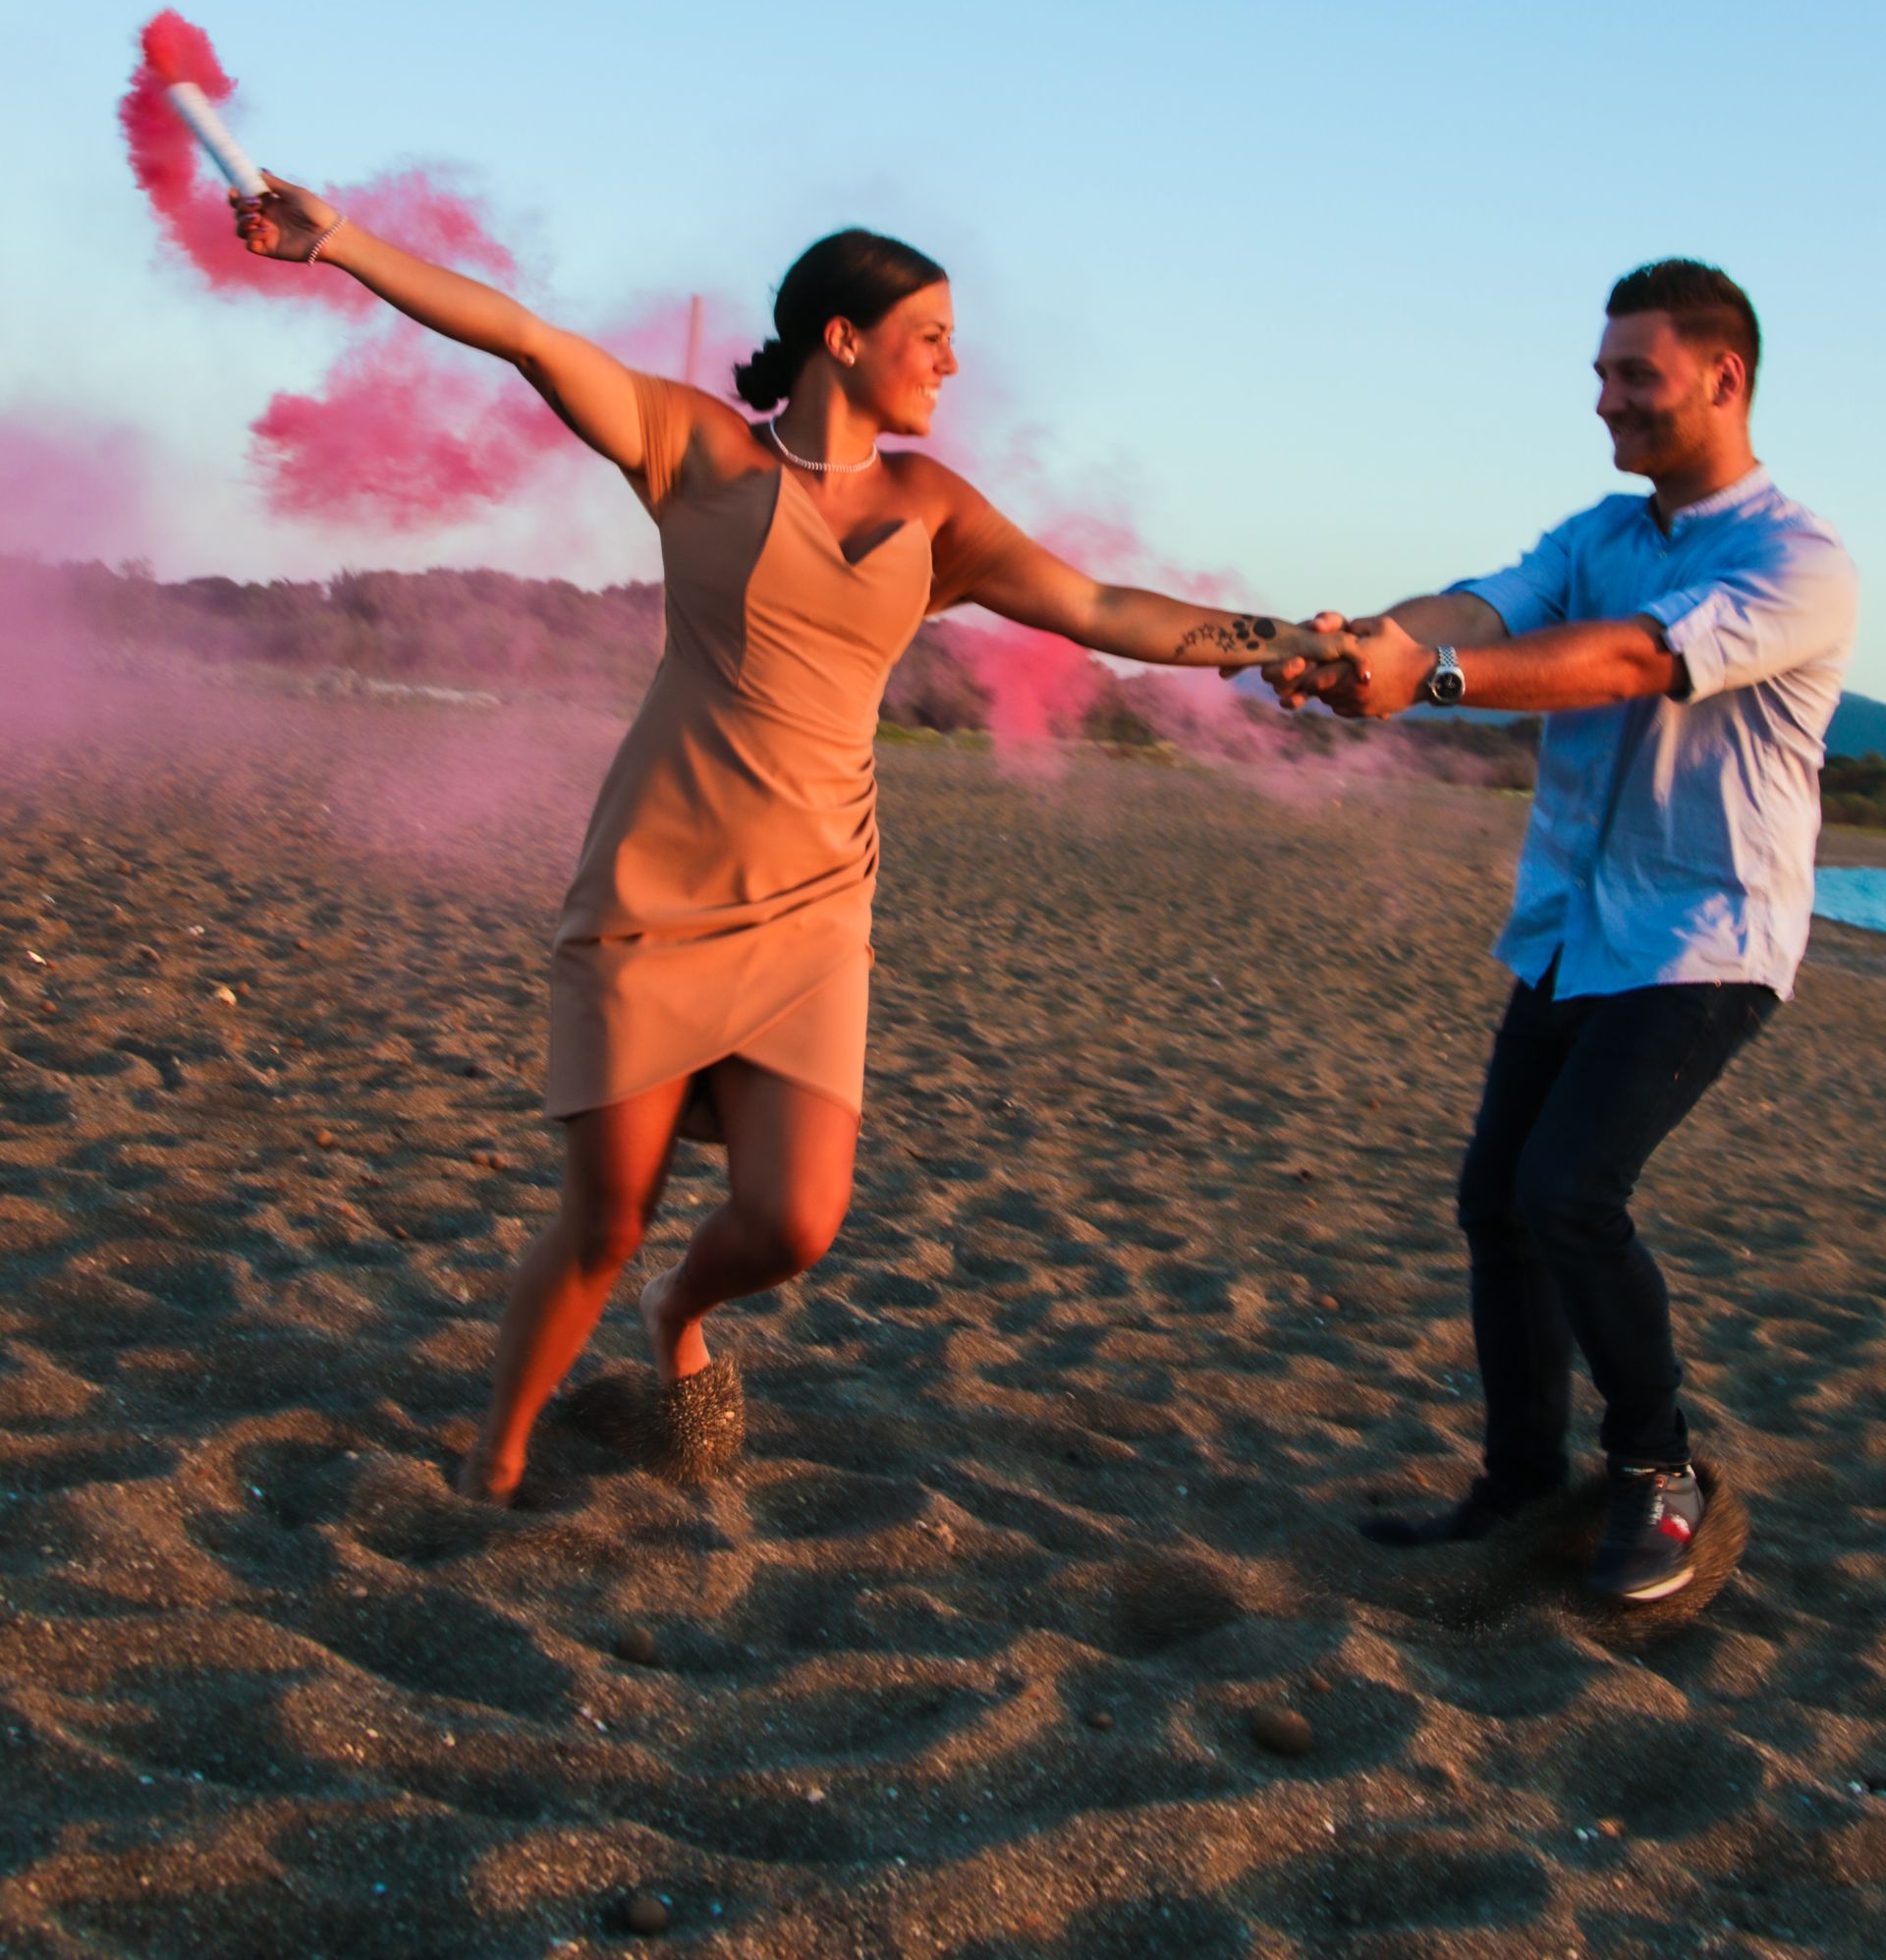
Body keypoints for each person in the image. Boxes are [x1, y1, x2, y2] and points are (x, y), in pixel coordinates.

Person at [234, 176, 1348, 1500]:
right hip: (659, 880)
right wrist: (342, 244)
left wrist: (1280, 640)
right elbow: (528, 336)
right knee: (606, 1219)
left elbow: (1099, 604)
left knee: (794, 1220)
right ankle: (497, 1458)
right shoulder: (700, 452)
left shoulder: (935, 513)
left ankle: (679, 1320)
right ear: (842, 339)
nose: (951, 359)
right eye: (927, 332)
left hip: (817, 903)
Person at [1265, 259, 1857, 1603]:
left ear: (1726, 376)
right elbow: (1487, 604)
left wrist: (1439, 679)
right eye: (1600, 376)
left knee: (1569, 1194)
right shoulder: (1599, 529)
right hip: (1571, 930)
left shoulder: (1795, 560)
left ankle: (1660, 1472)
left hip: (1705, 938)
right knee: (1497, 1204)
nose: (1606, 402)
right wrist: (1363, 641)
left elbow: (1641, 659)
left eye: (1632, 376)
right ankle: (1522, 1482)